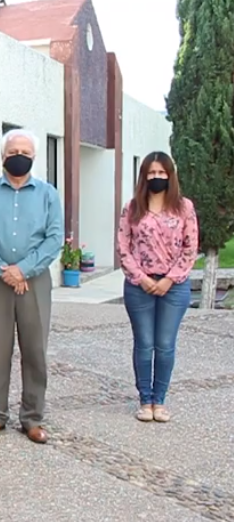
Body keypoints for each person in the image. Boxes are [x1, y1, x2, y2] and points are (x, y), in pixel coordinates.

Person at [0, 128, 62, 445]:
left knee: (35, 349)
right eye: (12, 152)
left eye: (24, 152)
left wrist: (23, 270)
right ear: (2, 156)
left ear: (33, 157)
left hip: (35, 282)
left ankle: (32, 418)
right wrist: (3, 270)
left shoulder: (48, 194)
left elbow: (54, 239)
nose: (18, 157)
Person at [116, 151, 198, 423]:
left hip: (173, 286)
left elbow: (190, 248)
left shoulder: (184, 207)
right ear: (144, 176)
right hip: (139, 285)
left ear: (170, 175)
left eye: (162, 173)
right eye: (151, 173)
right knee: (144, 343)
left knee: (164, 344)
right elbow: (123, 247)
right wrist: (142, 278)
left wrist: (168, 279)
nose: (156, 177)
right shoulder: (132, 208)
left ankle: (159, 401)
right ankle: (145, 400)